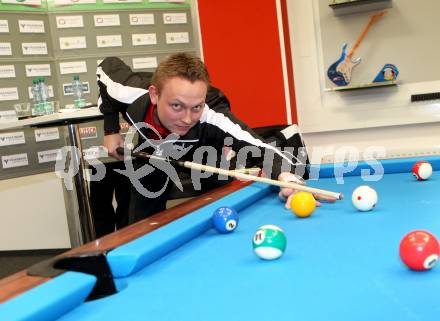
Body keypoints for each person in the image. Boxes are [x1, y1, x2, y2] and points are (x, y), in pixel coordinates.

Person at [97, 52, 318, 224]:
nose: (186, 118)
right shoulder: (128, 93)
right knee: (143, 217)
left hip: (205, 154)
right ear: (155, 95)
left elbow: (262, 148)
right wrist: (110, 130)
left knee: (220, 209)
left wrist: (288, 177)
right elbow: (105, 67)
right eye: (177, 106)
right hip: (154, 152)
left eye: (196, 107)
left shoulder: (212, 117)